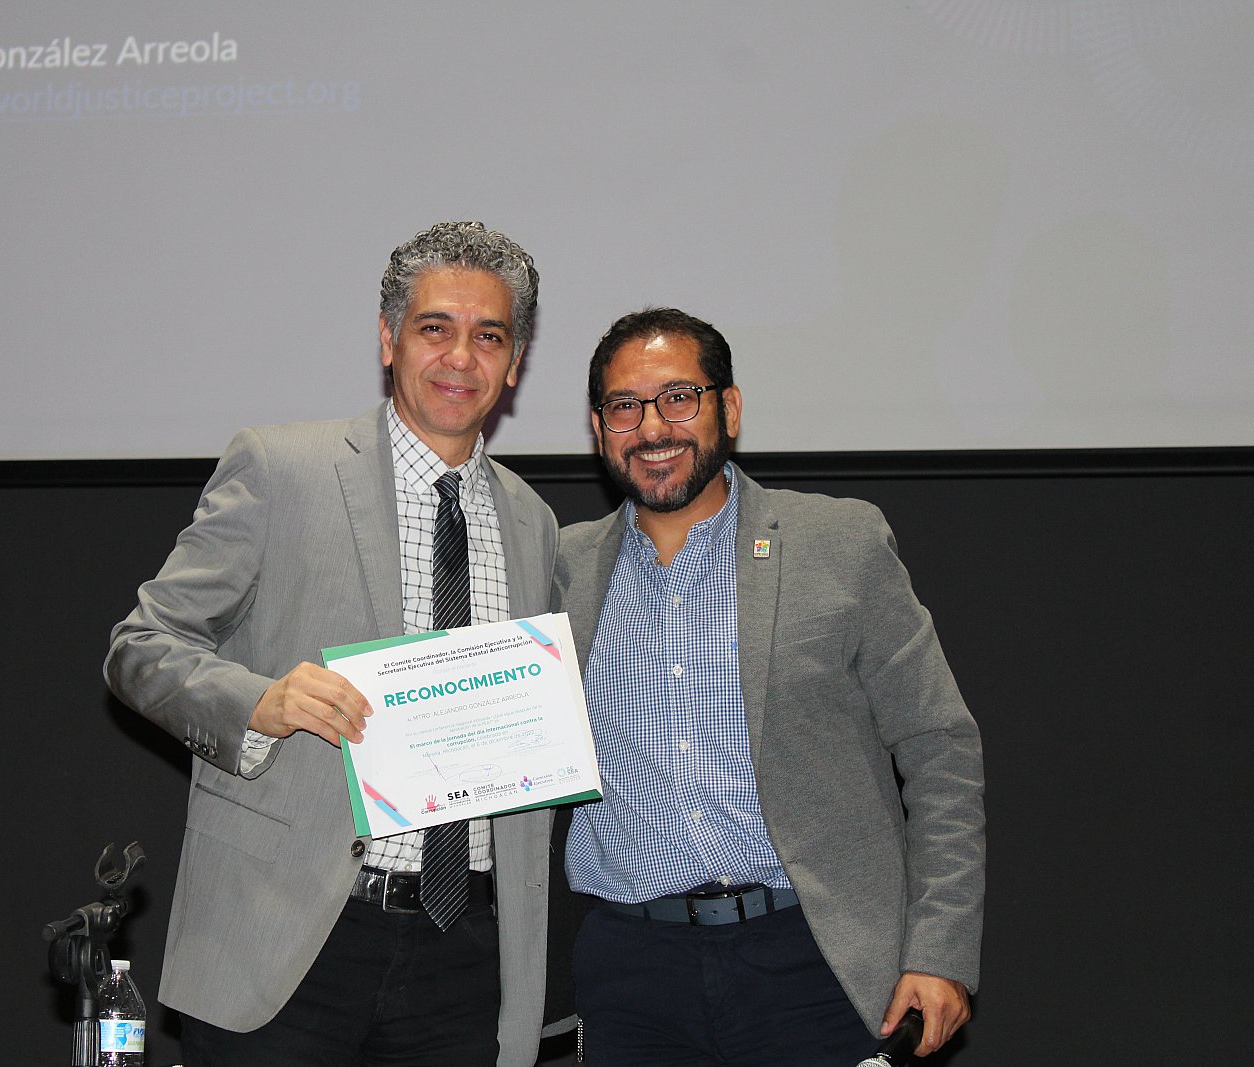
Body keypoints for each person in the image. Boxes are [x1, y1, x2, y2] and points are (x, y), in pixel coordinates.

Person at [104, 221, 558, 1067]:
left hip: (463, 954)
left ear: (515, 361)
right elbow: (141, 645)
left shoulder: (533, 523)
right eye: (435, 327)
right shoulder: (282, 468)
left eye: (489, 336)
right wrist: (259, 702)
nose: (461, 357)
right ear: (388, 339)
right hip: (289, 939)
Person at [552, 307, 985, 1065]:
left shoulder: (839, 544)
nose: (652, 428)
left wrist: (940, 949)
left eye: (678, 397)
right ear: (599, 428)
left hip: (815, 960)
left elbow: (939, 746)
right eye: (625, 406)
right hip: (631, 974)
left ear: (729, 407)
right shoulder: (556, 569)